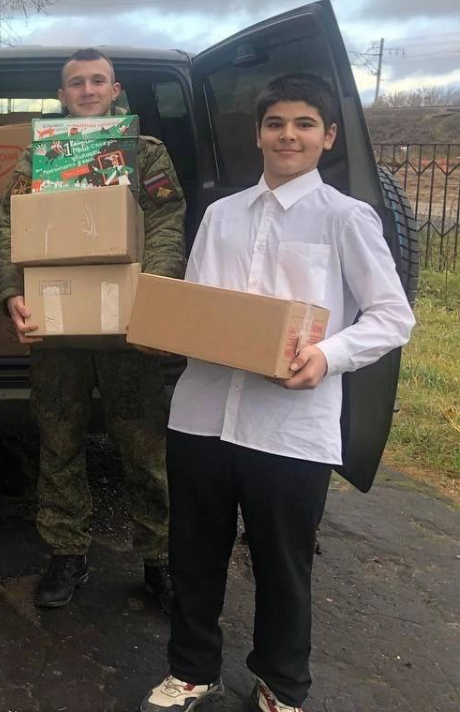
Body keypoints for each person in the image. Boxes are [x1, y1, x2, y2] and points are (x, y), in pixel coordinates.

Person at [138, 74, 414, 712]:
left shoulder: (346, 218)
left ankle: (281, 685)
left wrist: (326, 355)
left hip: (290, 427)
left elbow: (391, 315)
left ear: (328, 136)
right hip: (203, 415)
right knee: (193, 553)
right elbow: (199, 308)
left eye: (304, 124)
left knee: (283, 564)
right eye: (276, 124)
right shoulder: (221, 215)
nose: (289, 135)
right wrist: (165, 332)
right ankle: (192, 671)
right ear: (258, 134)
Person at [0, 48, 186, 611]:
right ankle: (66, 552)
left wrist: (154, 294)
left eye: (97, 81)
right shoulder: (39, 156)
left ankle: (160, 557)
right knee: (58, 441)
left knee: (144, 444)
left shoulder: (145, 152)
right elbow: (11, 225)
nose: (86, 90)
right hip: (58, 325)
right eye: (76, 83)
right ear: (62, 95)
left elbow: (166, 222)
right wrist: (11, 293)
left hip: (129, 325)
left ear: (115, 89)